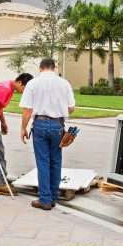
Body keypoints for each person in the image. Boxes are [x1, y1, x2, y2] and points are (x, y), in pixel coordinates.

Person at [19, 58, 75, 210]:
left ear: (40, 68)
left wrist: (23, 128)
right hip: (58, 125)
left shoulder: (32, 84)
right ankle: (53, 196)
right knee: (55, 161)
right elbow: (71, 108)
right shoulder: (64, 83)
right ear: (54, 67)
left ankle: (44, 199)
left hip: (40, 125)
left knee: (43, 162)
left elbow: (27, 111)